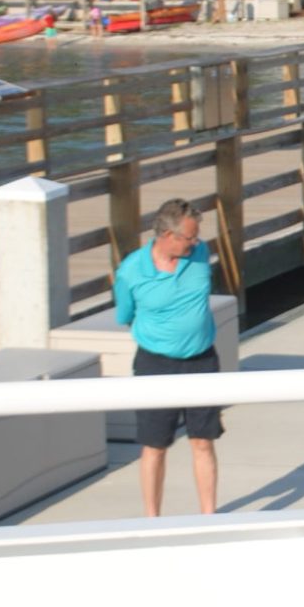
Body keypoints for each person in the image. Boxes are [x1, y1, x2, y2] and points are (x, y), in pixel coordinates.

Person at [114, 198, 223, 517]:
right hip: (155, 364)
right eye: (189, 237)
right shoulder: (132, 271)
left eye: (196, 237)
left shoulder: (200, 254)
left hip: (203, 360)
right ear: (167, 235)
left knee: (203, 441)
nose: (196, 243)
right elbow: (125, 314)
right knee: (154, 446)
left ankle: (209, 516)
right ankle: (152, 519)